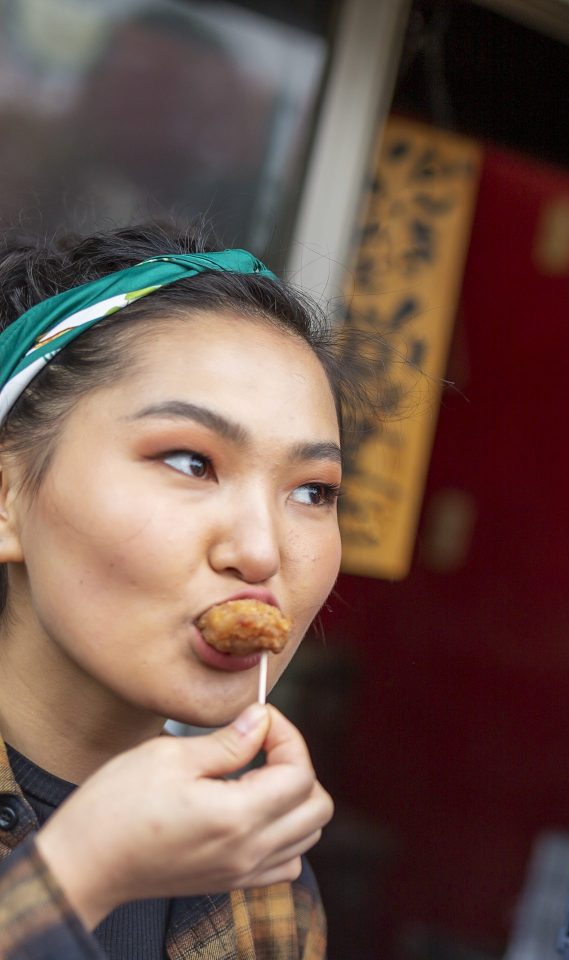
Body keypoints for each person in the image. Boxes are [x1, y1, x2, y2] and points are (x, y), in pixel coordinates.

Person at [0, 223, 357, 957]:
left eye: (313, 492)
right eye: (192, 462)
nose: (261, 551)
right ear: (7, 496)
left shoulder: (264, 885)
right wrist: (84, 870)